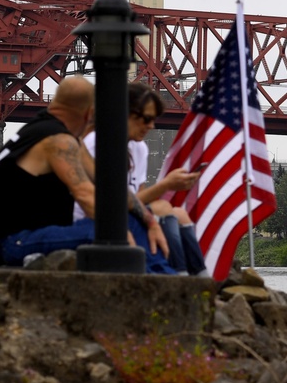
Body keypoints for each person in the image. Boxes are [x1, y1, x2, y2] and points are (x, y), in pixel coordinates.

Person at [0, 76, 172, 272]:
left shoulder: (49, 133)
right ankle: (159, 280)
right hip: (12, 244)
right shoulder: (58, 141)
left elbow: (107, 186)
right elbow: (85, 193)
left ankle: (159, 276)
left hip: (23, 238)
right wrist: (122, 233)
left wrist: (149, 220)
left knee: (130, 220)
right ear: (89, 112)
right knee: (116, 229)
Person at [75, 82, 208, 276]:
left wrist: (164, 189)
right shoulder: (95, 144)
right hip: (95, 221)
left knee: (179, 213)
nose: (151, 126)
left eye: (153, 120)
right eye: (146, 119)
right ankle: (180, 275)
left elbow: (138, 198)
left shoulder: (139, 148)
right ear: (124, 112)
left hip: (126, 215)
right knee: (166, 210)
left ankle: (197, 276)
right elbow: (112, 204)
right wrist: (166, 185)